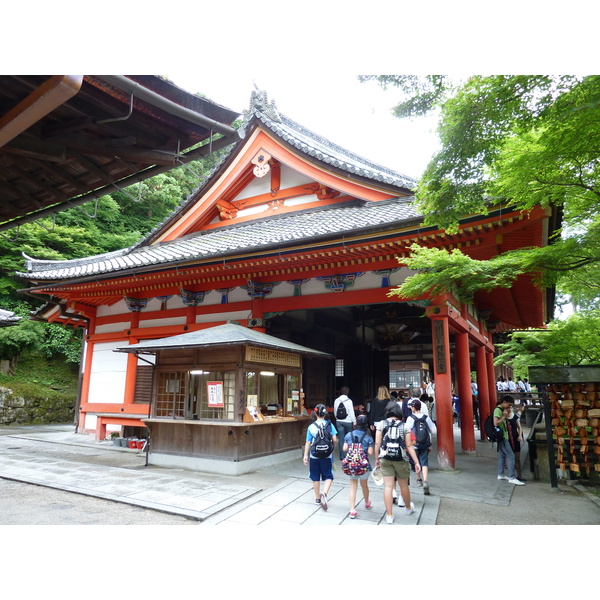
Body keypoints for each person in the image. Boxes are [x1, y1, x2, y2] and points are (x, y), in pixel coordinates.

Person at [375, 402, 421, 524]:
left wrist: (376, 458)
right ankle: (408, 508)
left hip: (385, 458)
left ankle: (389, 515)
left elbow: (377, 443)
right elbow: (409, 445)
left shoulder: (381, 424)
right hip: (401, 459)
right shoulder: (405, 426)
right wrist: (416, 462)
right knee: (403, 486)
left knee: (388, 487)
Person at [303, 404, 339, 509]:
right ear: (325, 413)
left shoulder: (311, 426)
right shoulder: (330, 425)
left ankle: (317, 498)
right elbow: (335, 439)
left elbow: (308, 442)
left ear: (315, 413)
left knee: (315, 477)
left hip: (314, 455)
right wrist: (332, 449)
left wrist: (305, 455)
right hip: (327, 455)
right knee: (328, 475)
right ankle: (325, 493)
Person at [342, 415, 374, 518]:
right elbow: (370, 452)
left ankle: (352, 509)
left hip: (352, 465)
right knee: (364, 485)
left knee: (353, 486)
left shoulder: (349, 435)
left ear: (356, 423)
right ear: (366, 425)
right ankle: (367, 502)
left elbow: (344, 449)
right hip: (364, 465)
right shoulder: (368, 437)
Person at [405, 398, 437, 495]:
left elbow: (406, 431)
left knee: (416, 461)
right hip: (425, 444)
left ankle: (419, 480)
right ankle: (426, 481)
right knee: (424, 462)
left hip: (414, 444)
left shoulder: (410, 418)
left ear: (413, 407)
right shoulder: (426, 417)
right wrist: (430, 442)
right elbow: (433, 430)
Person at [493, 396, 524, 486]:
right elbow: (495, 423)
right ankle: (511, 477)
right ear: (504, 402)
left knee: (502, 455)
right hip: (502, 435)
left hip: (504, 435)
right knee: (511, 456)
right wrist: (504, 417)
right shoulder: (498, 410)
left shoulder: (503, 410)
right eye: (509, 405)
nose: (509, 407)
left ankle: (500, 474)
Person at [333, 386, 356, 460]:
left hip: (339, 421)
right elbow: (351, 413)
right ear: (347, 392)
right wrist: (354, 422)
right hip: (348, 421)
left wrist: (337, 418)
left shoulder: (336, 400)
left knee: (341, 438)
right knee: (350, 438)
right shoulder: (349, 401)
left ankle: (342, 456)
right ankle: (350, 454)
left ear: (341, 392)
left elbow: (335, 411)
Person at [506, 403, 525, 481]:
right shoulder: (504, 417)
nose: (509, 409)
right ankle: (511, 475)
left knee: (517, 458)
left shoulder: (515, 416)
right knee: (509, 457)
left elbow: (519, 427)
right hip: (507, 438)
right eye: (508, 408)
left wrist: (520, 435)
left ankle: (519, 475)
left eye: (510, 408)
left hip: (515, 437)